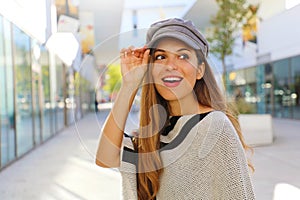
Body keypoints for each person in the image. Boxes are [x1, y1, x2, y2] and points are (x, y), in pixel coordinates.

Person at [96, 18, 255, 199]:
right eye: (161, 57)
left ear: (199, 70)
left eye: (183, 56)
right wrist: (129, 85)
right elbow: (105, 158)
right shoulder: (155, 134)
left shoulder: (214, 127)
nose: (170, 65)